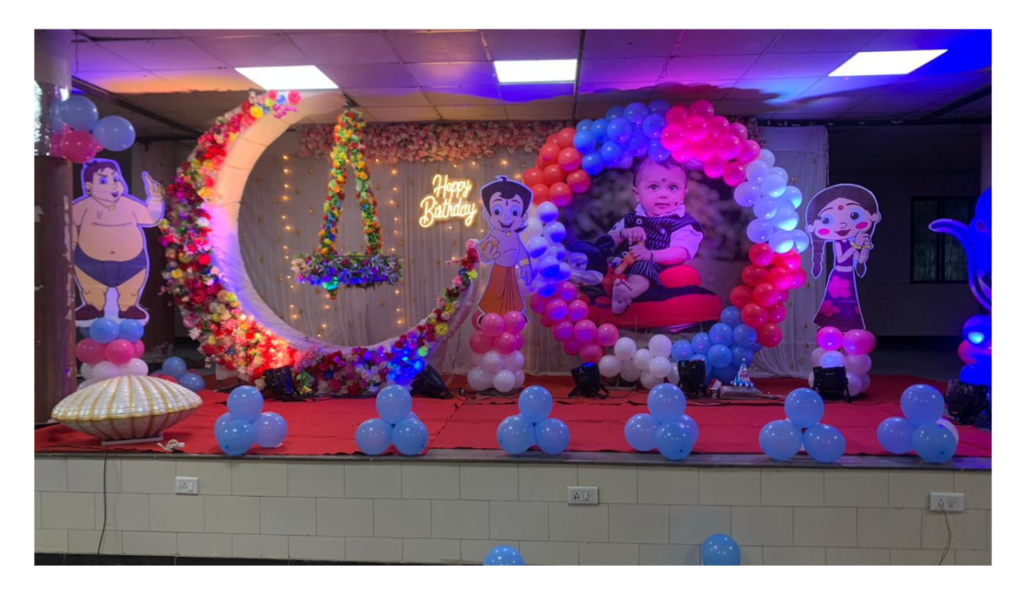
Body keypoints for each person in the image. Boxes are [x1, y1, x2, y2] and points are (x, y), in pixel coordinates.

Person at [606, 157, 703, 314]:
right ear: (637, 194)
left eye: (672, 187)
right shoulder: (631, 219)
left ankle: (627, 294)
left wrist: (650, 255)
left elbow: (681, 252)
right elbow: (608, 241)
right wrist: (623, 233)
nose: (663, 194)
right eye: (653, 187)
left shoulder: (683, 224)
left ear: (683, 195)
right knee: (599, 262)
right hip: (620, 263)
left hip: (655, 266)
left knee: (643, 268)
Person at [72, 159, 165, 321]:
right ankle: (93, 305)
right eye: (103, 181)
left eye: (115, 178)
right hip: (90, 262)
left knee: (131, 290)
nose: (113, 183)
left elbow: (151, 218)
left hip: (131, 263)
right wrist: (73, 244)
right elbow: (70, 220)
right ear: (89, 187)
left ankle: (128, 307)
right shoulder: (84, 206)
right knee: (91, 290)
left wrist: (155, 198)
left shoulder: (130, 205)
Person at [804, 183, 882, 331]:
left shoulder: (850, 242)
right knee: (835, 304)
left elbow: (860, 259)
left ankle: (848, 329)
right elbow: (841, 257)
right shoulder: (838, 243)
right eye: (826, 220)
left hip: (849, 276)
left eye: (854, 215)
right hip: (839, 276)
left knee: (849, 306)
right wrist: (856, 245)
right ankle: (830, 329)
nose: (842, 224)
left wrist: (864, 247)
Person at [475, 176, 534, 323]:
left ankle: (514, 314)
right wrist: (485, 254)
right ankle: (489, 316)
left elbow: (521, 251)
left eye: (514, 212)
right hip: (499, 270)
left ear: (523, 217)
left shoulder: (514, 235)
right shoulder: (495, 234)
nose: (506, 217)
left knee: (512, 293)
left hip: (511, 270)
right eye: (498, 210)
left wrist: (525, 265)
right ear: (487, 214)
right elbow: (486, 247)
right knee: (496, 292)